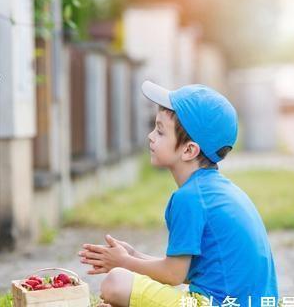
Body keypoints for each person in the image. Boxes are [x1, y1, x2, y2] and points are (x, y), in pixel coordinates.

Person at [79, 81, 278, 307]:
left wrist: (124, 263)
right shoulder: (215, 190)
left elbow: (173, 275)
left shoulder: (190, 198)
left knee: (116, 282)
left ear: (189, 149)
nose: (150, 136)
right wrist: (134, 255)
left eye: (160, 131)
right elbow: (189, 271)